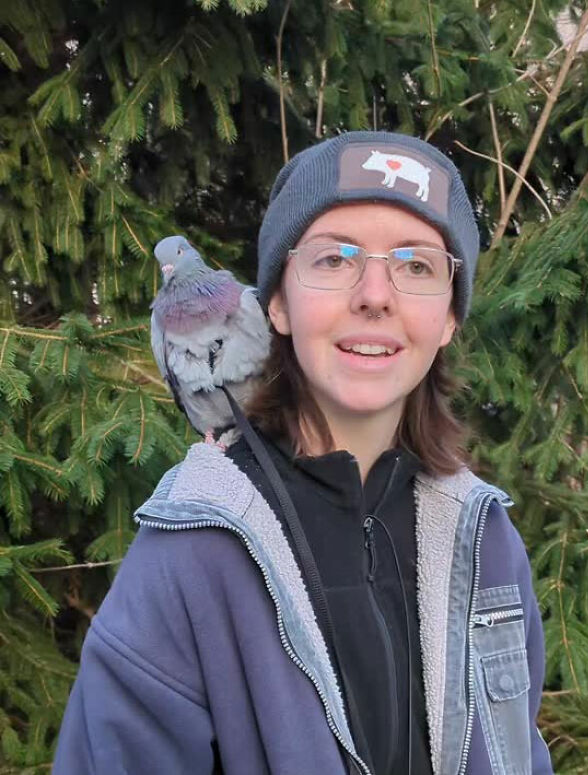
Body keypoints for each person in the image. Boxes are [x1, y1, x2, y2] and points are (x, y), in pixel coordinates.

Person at [53, 131, 554, 775]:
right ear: (277, 306)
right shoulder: (187, 558)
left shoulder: (487, 541)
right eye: (334, 259)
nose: (375, 295)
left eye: (416, 266)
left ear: (450, 318)